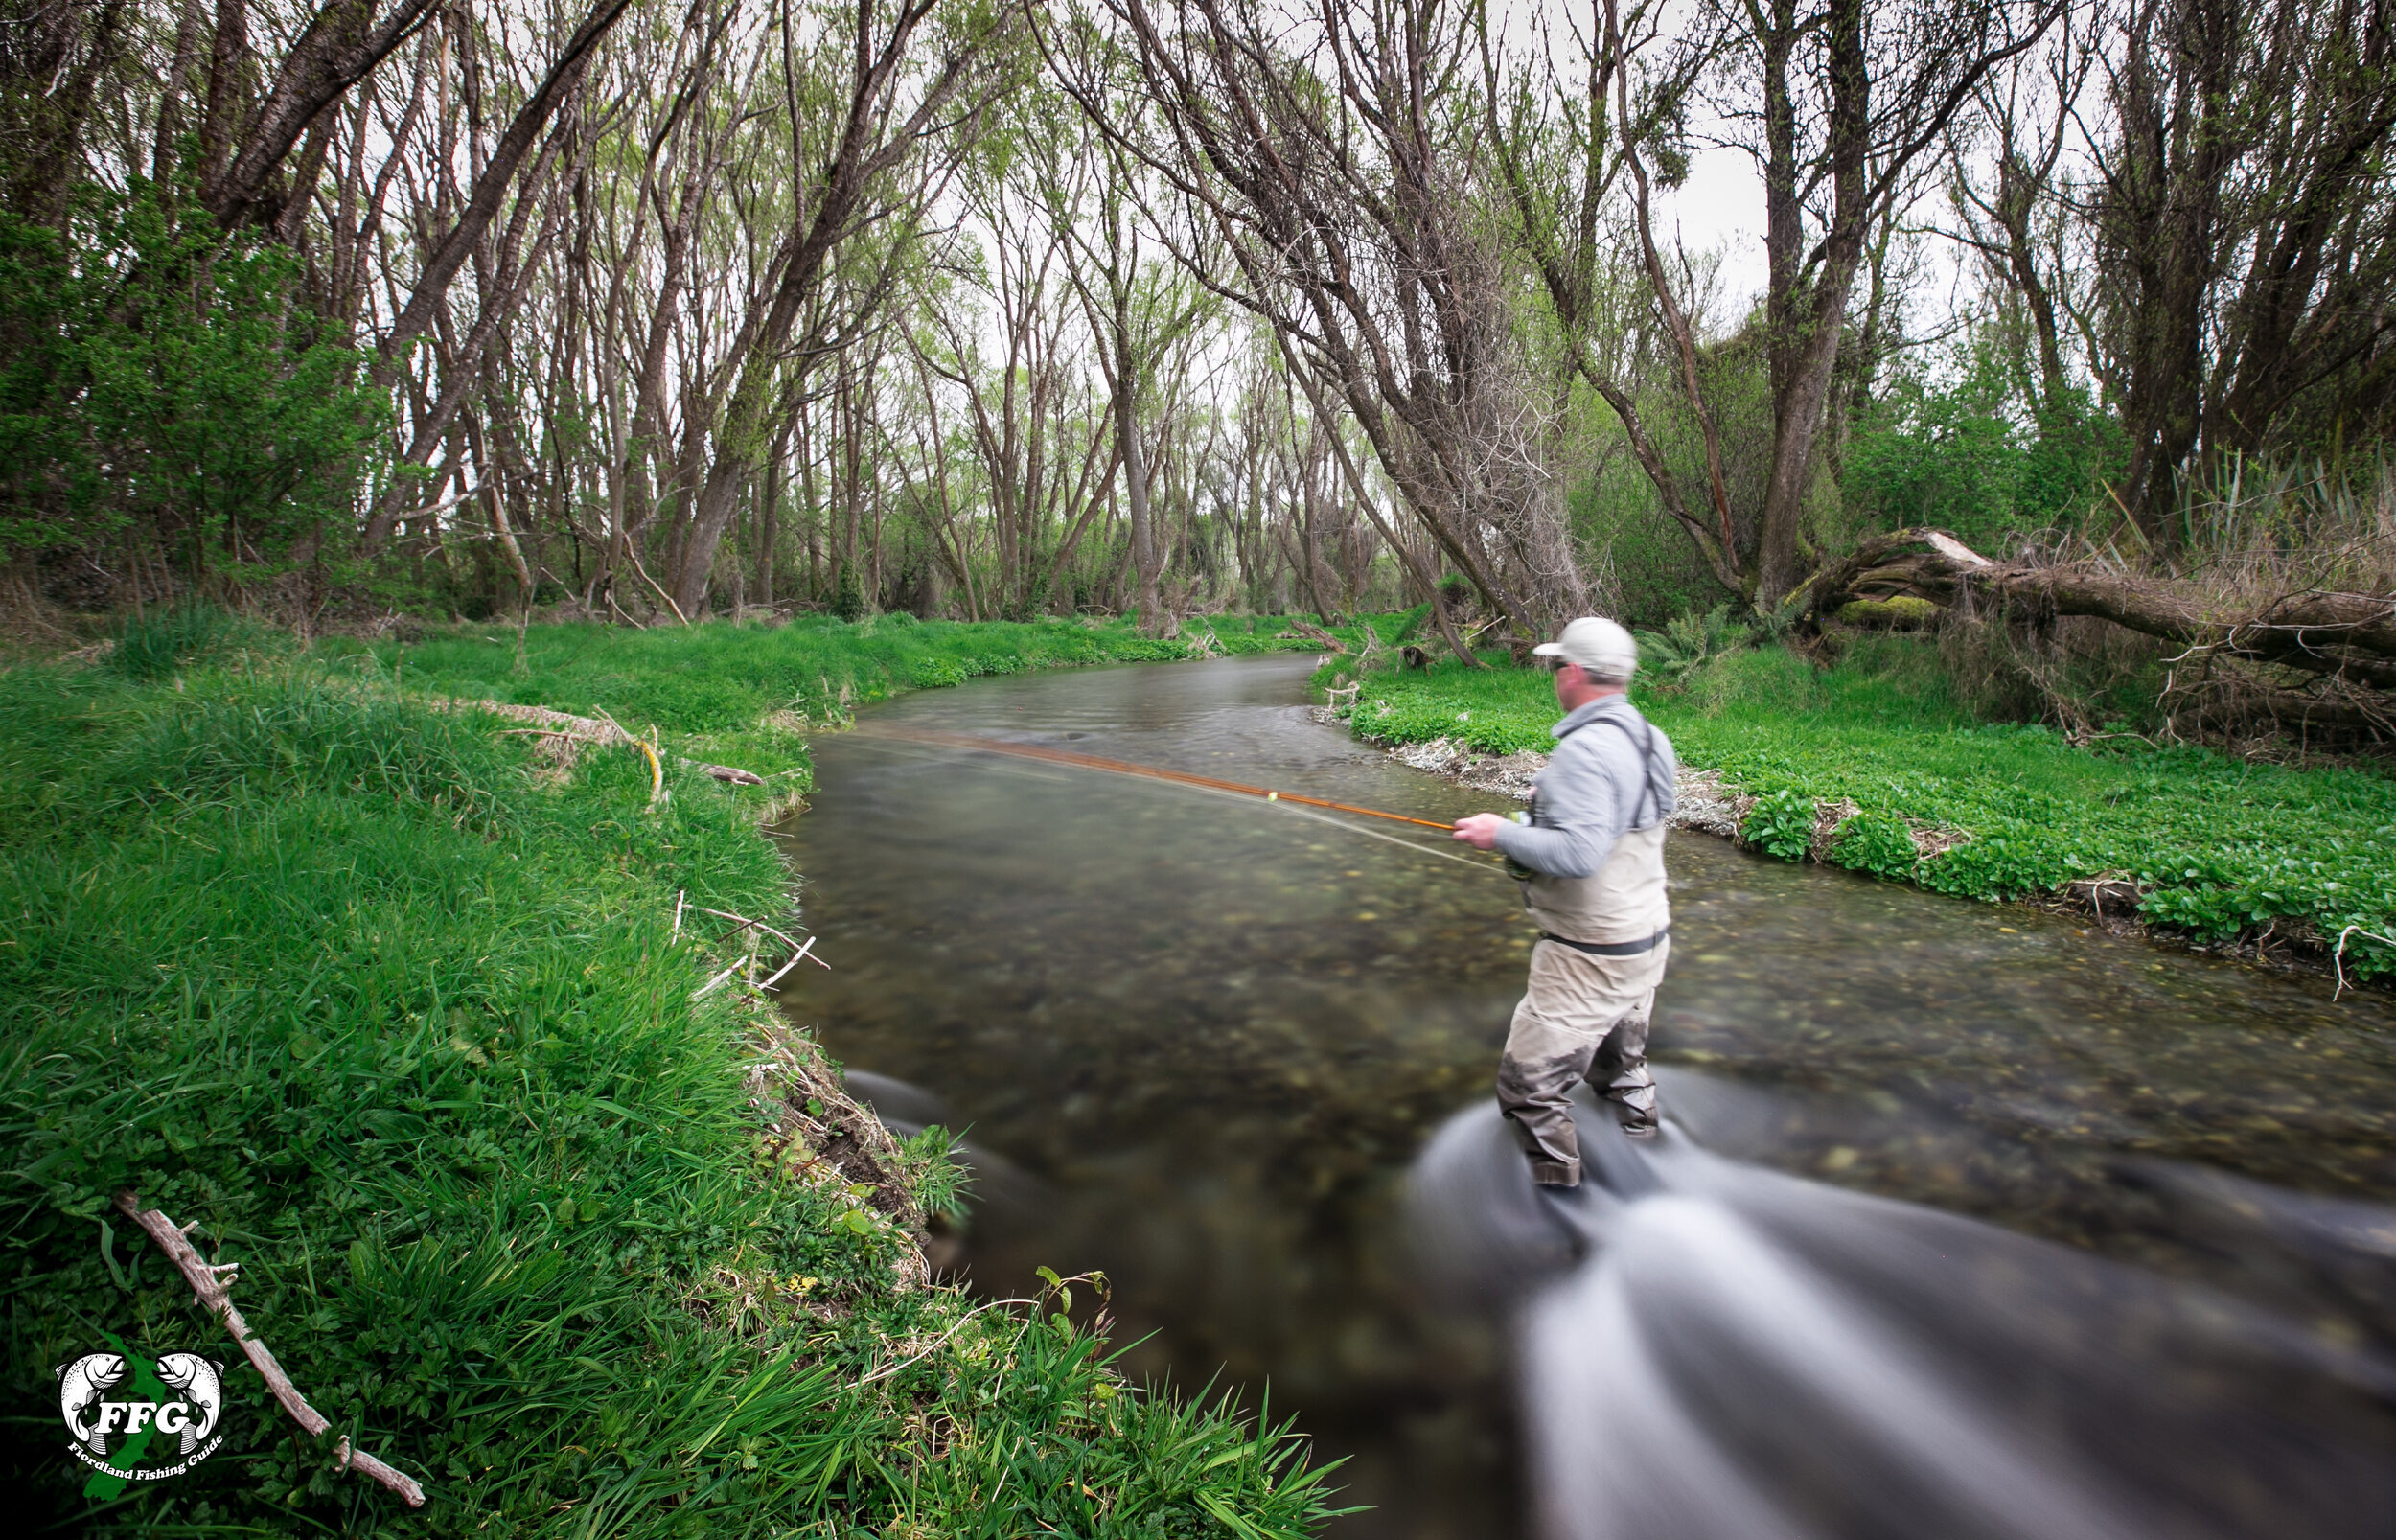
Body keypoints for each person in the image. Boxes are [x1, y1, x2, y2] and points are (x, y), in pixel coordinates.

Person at [1452, 616, 1678, 1187]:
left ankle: (1562, 1206)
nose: (1554, 677)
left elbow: (1580, 855)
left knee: (1529, 1089)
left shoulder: (1585, 750)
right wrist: (1548, 812)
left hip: (1588, 954)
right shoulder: (1652, 738)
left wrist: (1499, 833)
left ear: (1573, 672)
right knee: (1620, 1066)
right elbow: (1622, 824)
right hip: (1646, 940)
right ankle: (1646, 1149)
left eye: (1557, 667)